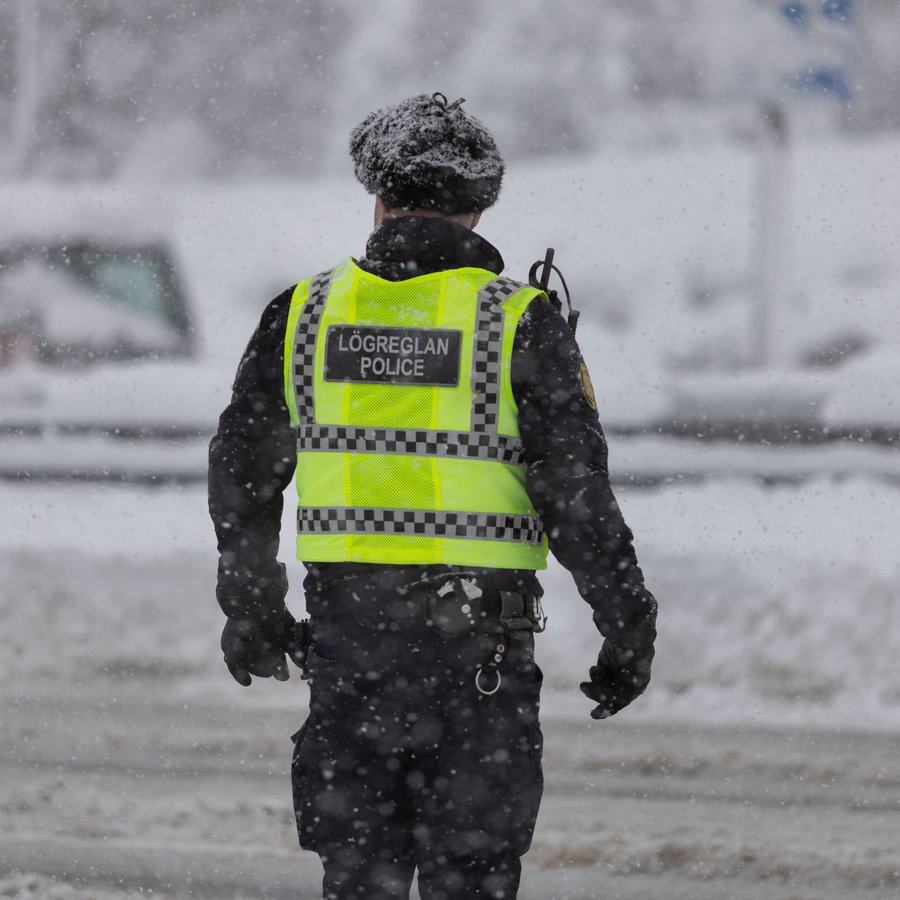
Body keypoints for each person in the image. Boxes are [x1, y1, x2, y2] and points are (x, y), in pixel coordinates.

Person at [209, 92, 657, 900]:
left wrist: (250, 605)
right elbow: (579, 500)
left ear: (376, 199)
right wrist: (628, 628)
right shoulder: (519, 322)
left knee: (360, 876)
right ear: (480, 208)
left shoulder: (303, 315)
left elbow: (243, 474)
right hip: (477, 664)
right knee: (473, 874)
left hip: (349, 657)